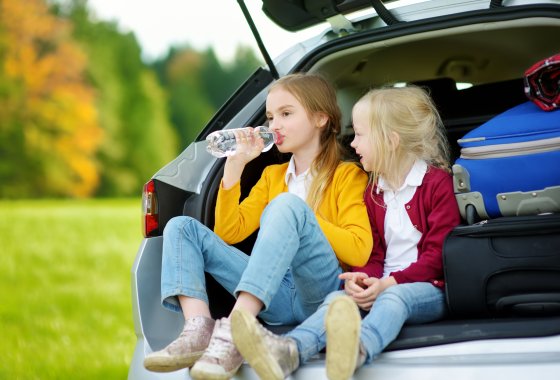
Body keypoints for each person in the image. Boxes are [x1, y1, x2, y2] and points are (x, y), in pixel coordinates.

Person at [143, 73, 373, 380]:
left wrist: (301, 215)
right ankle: (198, 330)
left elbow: (358, 250)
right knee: (182, 227)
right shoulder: (272, 177)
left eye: (286, 114)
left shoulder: (347, 176)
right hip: (273, 294)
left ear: (320, 118)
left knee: (287, 205)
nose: (274, 125)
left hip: (318, 292)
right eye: (270, 116)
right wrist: (235, 167)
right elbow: (229, 233)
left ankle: (235, 332)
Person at [231, 85, 461, 380]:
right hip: (382, 282)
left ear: (391, 140)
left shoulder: (436, 184)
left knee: (395, 300)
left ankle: (358, 348)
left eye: (361, 135)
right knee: (337, 300)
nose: (352, 144)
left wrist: (390, 283)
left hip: (428, 288)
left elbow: (438, 254)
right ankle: (288, 351)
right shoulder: (374, 190)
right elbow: (373, 251)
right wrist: (362, 277)